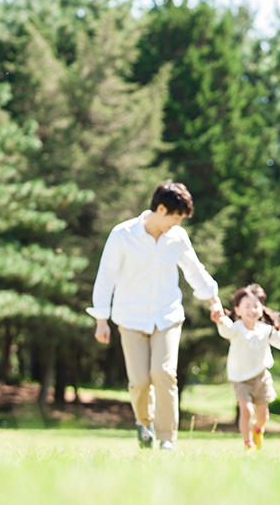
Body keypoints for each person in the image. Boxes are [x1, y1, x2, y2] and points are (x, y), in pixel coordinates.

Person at [88, 181, 222, 451]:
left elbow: (195, 271)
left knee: (163, 373)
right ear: (160, 208)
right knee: (139, 382)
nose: (178, 224)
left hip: (167, 316)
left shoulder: (177, 237)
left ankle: (167, 439)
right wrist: (101, 319)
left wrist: (213, 299)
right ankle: (144, 423)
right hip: (130, 317)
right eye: (175, 217)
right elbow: (106, 277)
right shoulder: (122, 234)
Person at [212, 284, 280, 450]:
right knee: (246, 410)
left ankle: (257, 428)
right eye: (247, 306)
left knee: (263, 416)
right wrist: (220, 319)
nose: (252, 310)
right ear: (238, 310)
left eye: (256, 306)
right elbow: (225, 329)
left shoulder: (265, 330)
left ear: (261, 310)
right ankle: (248, 444)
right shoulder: (236, 328)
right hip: (240, 378)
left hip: (261, 376)